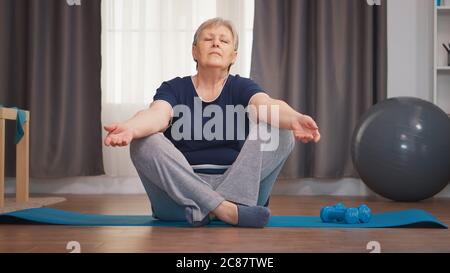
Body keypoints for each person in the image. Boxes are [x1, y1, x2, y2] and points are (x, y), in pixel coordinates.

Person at [104, 17, 321, 228]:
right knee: (143, 142)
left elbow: (267, 105)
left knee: (279, 131)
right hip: (181, 198)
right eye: (208, 39)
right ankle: (224, 210)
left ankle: (212, 207)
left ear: (233, 56)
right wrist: (131, 128)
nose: (216, 42)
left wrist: (295, 118)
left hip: (241, 191)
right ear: (194, 51)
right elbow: (157, 115)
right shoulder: (174, 88)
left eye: (224, 40)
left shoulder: (241, 87)